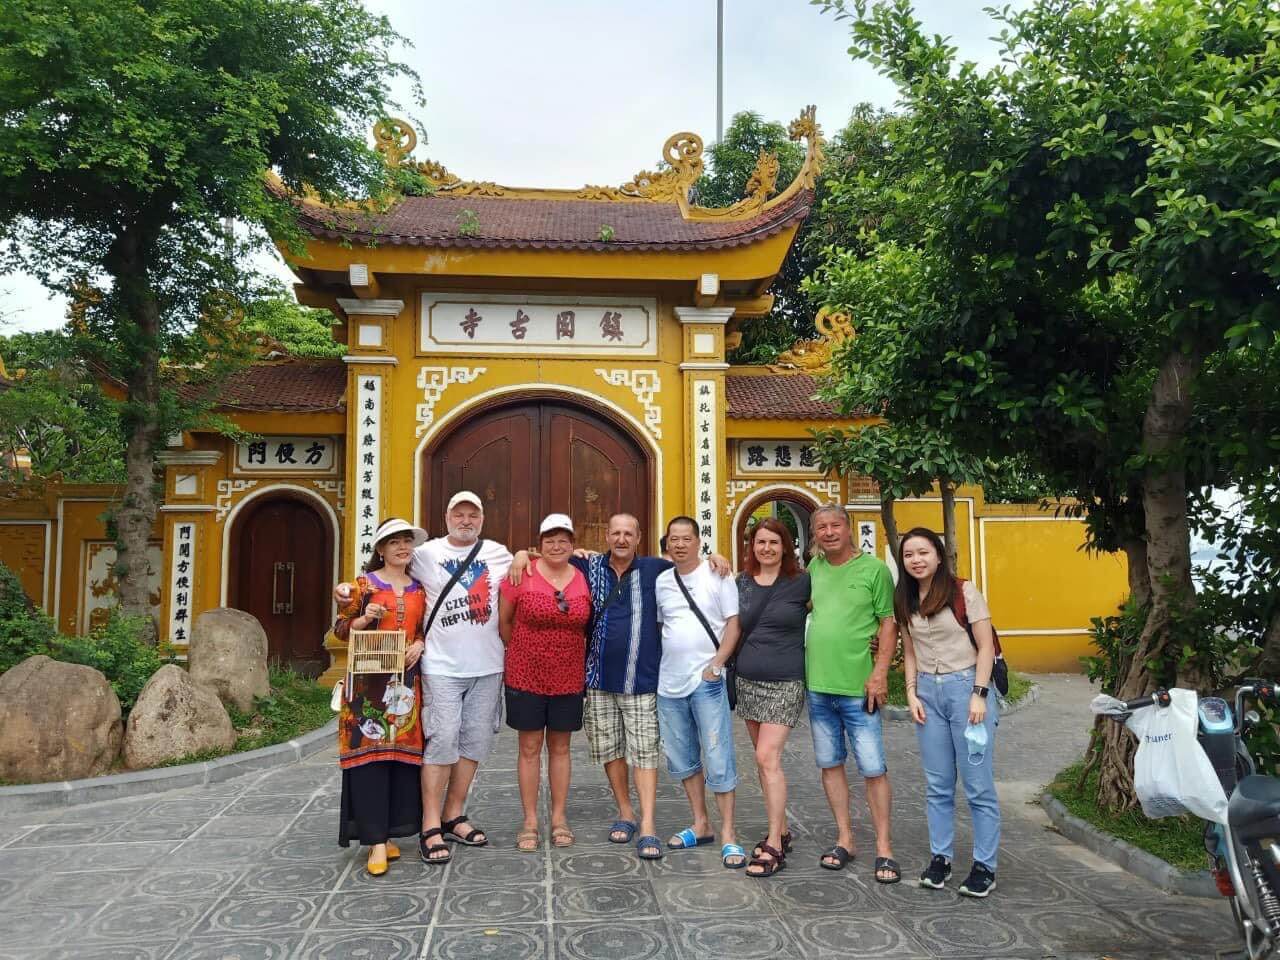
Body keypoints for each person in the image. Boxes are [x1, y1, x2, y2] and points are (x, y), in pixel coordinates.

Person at [509, 514, 731, 861]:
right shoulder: (588, 565)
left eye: (629, 533)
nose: (622, 539)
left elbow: (690, 562)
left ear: (640, 536)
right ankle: (625, 812)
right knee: (610, 750)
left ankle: (647, 825)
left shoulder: (656, 569)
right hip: (597, 679)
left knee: (643, 752)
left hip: (641, 679)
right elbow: (553, 556)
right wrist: (523, 555)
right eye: (616, 533)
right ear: (607, 536)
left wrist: (716, 556)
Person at [335, 490, 511, 865]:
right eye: (459, 514)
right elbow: (367, 585)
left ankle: (454, 815)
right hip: (440, 668)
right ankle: (429, 824)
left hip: (488, 665)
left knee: (474, 742)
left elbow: (536, 565)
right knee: (441, 740)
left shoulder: (499, 553)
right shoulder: (425, 554)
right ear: (447, 517)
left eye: (473, 515)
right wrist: (348, 594)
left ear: (481, 519)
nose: (466, 521)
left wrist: (533, 555)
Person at [896, 526, 1000, 897]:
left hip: (966, 690)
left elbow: (985, 647)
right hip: (928, 693)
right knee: (938, 785)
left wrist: (979, 694)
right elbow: (909, 652)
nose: (917, 560)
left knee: (977, 787)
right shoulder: (904, 599)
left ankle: (984, 866)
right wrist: (911, 694)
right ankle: (940, 859)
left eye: (923, 552)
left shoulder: (963, 591)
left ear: (938, 556)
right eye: (909, 555)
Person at [805, 504, 900, 882]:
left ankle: (884, 846)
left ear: (848, 529)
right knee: (830, 765)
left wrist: (880, 673)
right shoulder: (813, 569)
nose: (828, 533)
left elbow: (888, 623)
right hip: (818, 686)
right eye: (821, 528)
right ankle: (845, 838)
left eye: (834, 526)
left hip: (859, 688)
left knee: (873, 768)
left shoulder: (874, 570)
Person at [333, 518, 428, 877]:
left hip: (404, 684)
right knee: (368, 757)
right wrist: (362, 619)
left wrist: (419, 644)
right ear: (381, 550)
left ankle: (390, 833)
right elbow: (340, 629)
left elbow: (422, 629)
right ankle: (374, 840)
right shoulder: (363, 586)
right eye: (394, 542)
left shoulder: (420, 589)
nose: (402, 548)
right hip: (366, 686)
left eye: (407, 542)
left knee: (400, 760)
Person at [654, 516, 745, 868]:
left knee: (718, 755)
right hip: (669, 683)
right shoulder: (662, 581)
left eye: (686, 538)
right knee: (682, 757)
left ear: (698, 541)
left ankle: (729, 835)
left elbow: (733, 624)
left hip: (706, 681)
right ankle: (701, 823)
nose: (679, 544)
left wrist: (716, 665)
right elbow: (664, 626)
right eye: (673, 539)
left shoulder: (718, 574)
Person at [499, 514, 591, 851]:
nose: (557, 545)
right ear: (539, 544)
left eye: (563, 539)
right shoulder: (519, 574)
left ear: (572, 543)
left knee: (561, 748)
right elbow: (504, 624)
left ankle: (559, 817)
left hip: (568, 674)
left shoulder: (584, 576)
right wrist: (526, 652)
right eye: (550, 539)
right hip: (526, 673)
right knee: (528, 748)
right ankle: (530, 820)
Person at [734, 518, 810, 878]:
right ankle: (779, 828)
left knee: (768, 757)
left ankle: (775, 847)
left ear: (786, 547)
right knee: (762, 761)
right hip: (748, 680)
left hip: (784, 682)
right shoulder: (742, 582)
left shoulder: (802, 582)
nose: (766, 548)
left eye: (774, 542)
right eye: (760, 542)